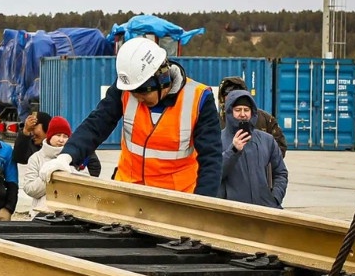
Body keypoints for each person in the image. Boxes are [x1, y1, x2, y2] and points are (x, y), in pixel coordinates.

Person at [41, 37, 222, 196]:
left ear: (162, 79)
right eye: (133, 92)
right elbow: (97, 124)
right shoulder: (126, 90)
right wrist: (66, 156)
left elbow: (211, 160)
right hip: (129, 194)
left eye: (143, 93)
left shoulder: (198, 99)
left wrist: (200, 204)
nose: (138, 98)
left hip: (175, 200)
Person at [220, 90, 288, 208]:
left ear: (252, 112)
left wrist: (275, 198)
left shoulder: (267, 140)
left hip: (264, 210)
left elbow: (281, 173)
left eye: (246, 110)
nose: (242, 114)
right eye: (238, 110)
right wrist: (233, 150)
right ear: (230, 112)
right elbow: (214, 174)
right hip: (231, 213)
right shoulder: (217, 140)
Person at [21, 116, 84, 215]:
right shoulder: (36, 158)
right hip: (41, 215)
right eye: (58, 135)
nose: (61, 140)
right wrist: (49, 175)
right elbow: (29, 189)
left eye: (65, 136)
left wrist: (70, 172)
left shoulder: (76, 157)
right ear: (49, 136)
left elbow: (85, 185)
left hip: (69, 215)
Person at [14, 111, 102, 177]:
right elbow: (20, 158)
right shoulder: (36, 148)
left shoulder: (75, 145)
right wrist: (25, 132)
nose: (32, 134)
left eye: (34, 129)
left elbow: (94, 166)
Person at [218, 76, 287, 158]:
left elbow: (280, 148)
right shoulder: (213, 121)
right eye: (229, 93)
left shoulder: (266, 119)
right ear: (222, 97)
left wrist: (261, 164)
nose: (242, 114)